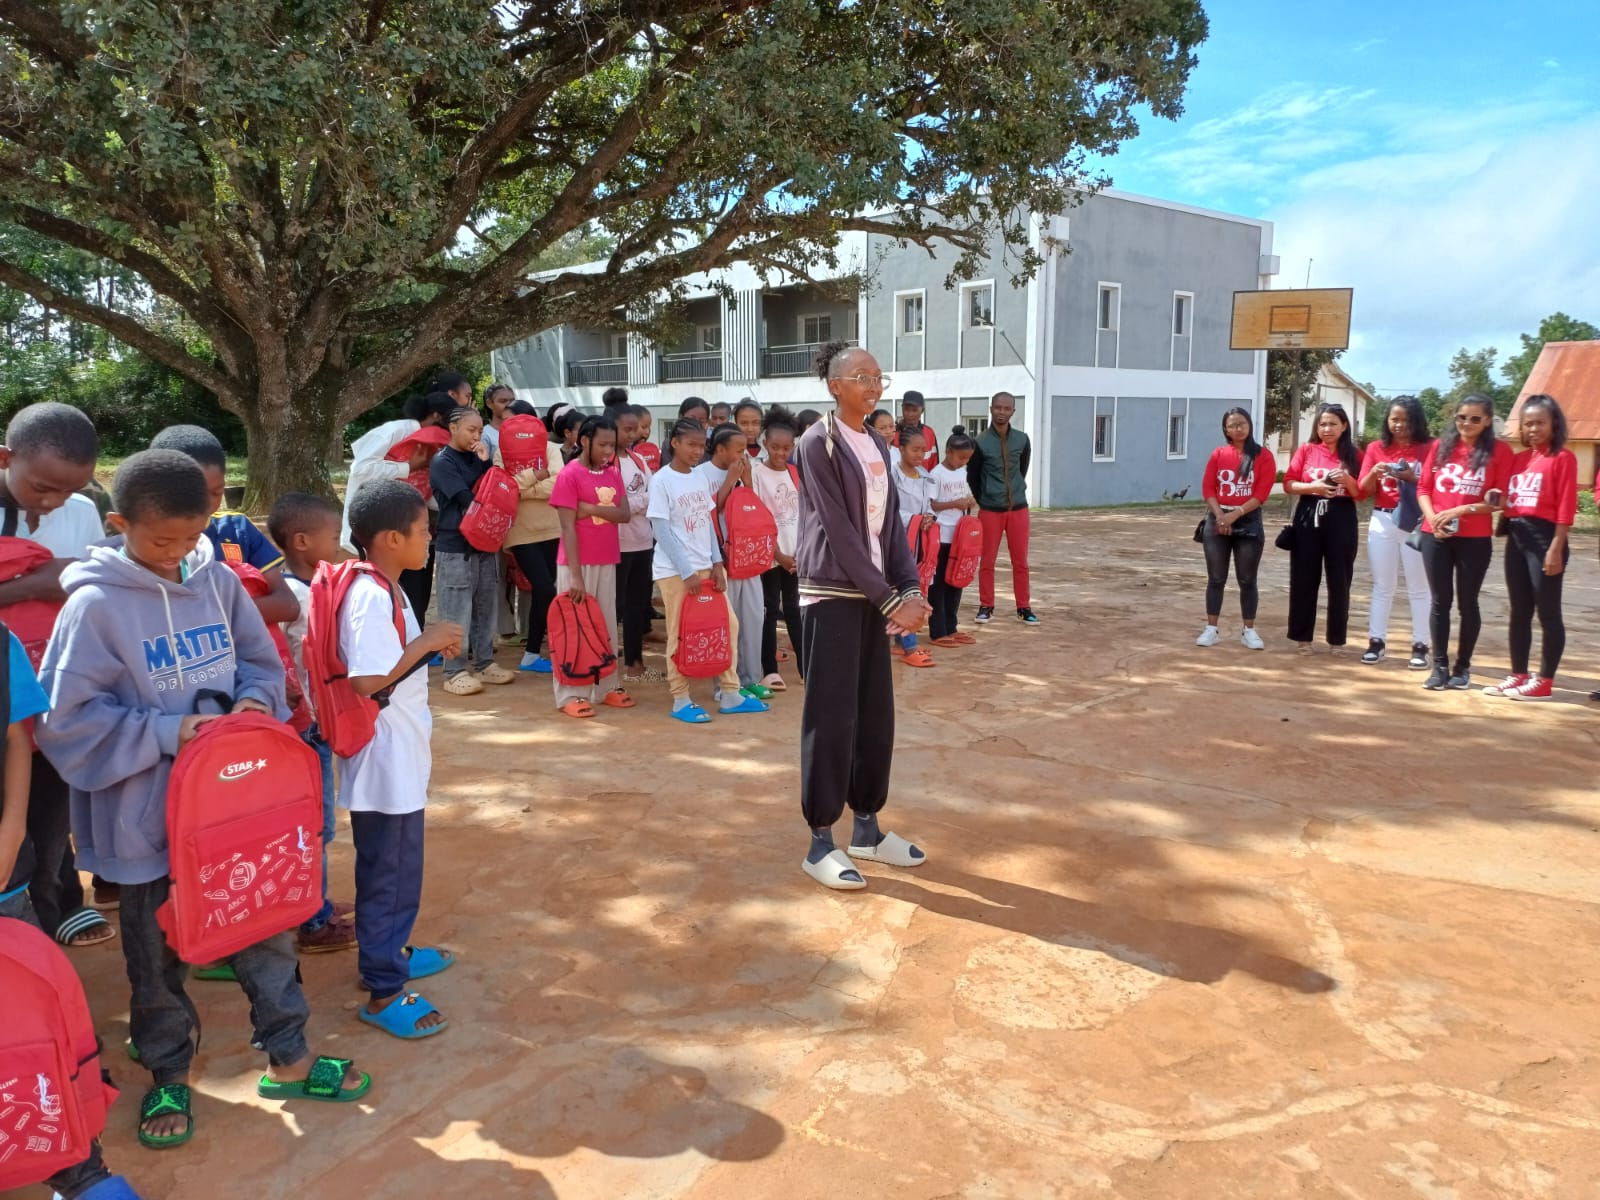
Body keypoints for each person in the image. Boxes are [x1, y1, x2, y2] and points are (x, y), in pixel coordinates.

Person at [36, 449, 371, 1148]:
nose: (178, 554)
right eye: (162, 540)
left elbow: (259, 660)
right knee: (155, 960)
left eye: (191, 537)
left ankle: (290, 1055)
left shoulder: (215, 579)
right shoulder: (93, 605)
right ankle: (168, 1075)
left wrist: (250, 702)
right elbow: (65, 722)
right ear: (119, 523)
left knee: (266, 931)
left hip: (236, 813)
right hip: (146, 827)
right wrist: (170, 730)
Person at [796, 342, 929, 891]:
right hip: (832, 593)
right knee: (832, 719)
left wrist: (910, 586)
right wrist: (889, 598)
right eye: (861, 377)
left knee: (875, 715)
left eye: (878, 376)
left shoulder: (877, 441)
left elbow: (890, 525)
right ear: (834, 385)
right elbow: (839, 531)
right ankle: (820, 842)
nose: (873, 386)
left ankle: (868, 830)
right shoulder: (816, 442)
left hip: (875, 597)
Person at [340, 479, 463, 1039]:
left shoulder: (388, 588)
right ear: (391, 538)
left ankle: (391, 949)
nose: (429, 540)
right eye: (422, 531)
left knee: (395, 866)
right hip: (384, 758)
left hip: (398, 750)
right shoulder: (370, 595)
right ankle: (384, 988)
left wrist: (427, 642)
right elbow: (367, 680)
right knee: (390, 870)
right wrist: (427, 641)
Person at [0, 403, 117, 947]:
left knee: (49, 814)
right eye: (42, 487)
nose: (51, 502)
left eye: (66, 492)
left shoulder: (81, 510)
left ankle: (51, 913)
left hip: (56, 688)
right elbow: (57, 583)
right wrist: (36, 584)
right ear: (6, 459)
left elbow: (88, 591)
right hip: (7, 697)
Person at [267, 492, 358, 954]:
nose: (340, 543)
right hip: (304, 729)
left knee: (318, 823)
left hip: (315, 723)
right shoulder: (290, 598)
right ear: (303, 541)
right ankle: (313, 922)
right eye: (333, 535)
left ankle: (313, 903)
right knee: (314, 825)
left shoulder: (313, 584)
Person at [646, 419, 768, 724]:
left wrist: (716, 563)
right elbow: (660, 530)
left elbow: (709, 524)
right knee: (679, 633)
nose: (697, 451)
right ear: (674, 443)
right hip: (675, 572)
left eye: (701, 445)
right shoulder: (662, 480)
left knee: (729, 626)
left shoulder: (699, 478)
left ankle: (730, 693)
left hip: (707, 568)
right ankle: (680, 699)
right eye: (691, 444)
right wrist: (687, 572)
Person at [149, 425, 299, 625]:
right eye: (194, 493)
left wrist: (204, 613)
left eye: (216, 492)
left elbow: (287, 605)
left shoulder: (239, 530)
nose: (205, 504)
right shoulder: (145, 544)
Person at [1417, 393, 1514, 691]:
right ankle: (1439, 666)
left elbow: (1501, 500)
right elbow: (1423, 488)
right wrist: (1433, 518)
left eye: (1475, 418)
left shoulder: (1500, 451)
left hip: (1474, 539)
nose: (1467, 423)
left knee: (1467, 604)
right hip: (1435, 536)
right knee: (1439, 602)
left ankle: (1463, 667)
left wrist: (1463, 509)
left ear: (1487, 421)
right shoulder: (1440, 447)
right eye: (1462, 417)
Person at [1487, 394, 1576, 701]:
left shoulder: (1562, 459)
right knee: (1519, 611)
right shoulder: (1519, 459)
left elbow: (1566, 507)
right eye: (1528, 424)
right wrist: (1496, 498)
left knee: (1548, 614)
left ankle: (1545, 680)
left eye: (1540, 422)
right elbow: (1507, 498)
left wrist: (1555, 548)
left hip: (1545, 538)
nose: (1533, 429)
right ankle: (1518, 674)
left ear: (1554, 425)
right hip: (1517, 536)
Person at [549, 415, 633, 718]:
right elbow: (567, 528)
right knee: (574, 628)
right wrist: (574, 576)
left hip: (606, 559)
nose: (609, 450)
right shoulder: (569, 475)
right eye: (603, 444)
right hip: (577, 565)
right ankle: (570, 693)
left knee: (605, 625)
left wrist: (592, 509)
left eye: (612, 444)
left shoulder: (612, 472)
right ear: (584, 441)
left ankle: (607, 686)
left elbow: (624, 513)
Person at [430, 407, 517, 695]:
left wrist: (485, 463)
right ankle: (453, 671)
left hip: (484, 544)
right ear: (453, 428)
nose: (477, 436)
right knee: (456, 610)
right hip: (455, 546)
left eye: (480, 431)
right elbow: (471, 500)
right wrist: (484, 471)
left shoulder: (479, 459)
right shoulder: (443, 462)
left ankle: (484, 663)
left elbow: (495, 488)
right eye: (471, 430)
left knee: (485, 605)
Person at [1355, 396, 1434, 668]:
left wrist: (1410, 476)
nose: (1399, 424)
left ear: (1416, 421)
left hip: (1416, 520)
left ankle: (1421, 645)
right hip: (1383, 519)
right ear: (1387, 421)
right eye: (1394, 419)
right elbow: (1362, 490)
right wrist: (1375, 472)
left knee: (1419, 587)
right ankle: (1376, 642)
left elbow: (1436, 485)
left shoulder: (1429, 447)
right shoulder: (1376, 448)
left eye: (1405, 419)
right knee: (1382, 585)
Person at [1282, 403, 1363, 654]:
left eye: (1332, 424)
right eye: (1322, 424)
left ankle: (1336, 640)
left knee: (1340, 580)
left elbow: (1362, 493)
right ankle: (1302, 637)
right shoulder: (1306, 450)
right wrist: (1313, 487)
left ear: (1344, 426)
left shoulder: (1355, 455)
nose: (1327, 429)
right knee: (1304, 577)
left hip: (1342, 515)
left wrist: (1347, 479)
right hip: (1309, 513)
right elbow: (1288, 484)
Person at [698, 424, 772, 699]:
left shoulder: (743, 470)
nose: (744, 454)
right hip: (720, 558)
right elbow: (712, 509)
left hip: (747, 556)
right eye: (739, 450)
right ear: (720, 449)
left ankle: (750, 678)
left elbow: (751, 506)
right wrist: (730, 479)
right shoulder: (702, 474)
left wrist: (747, 478)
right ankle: (724, 686)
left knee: (753, 618)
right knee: (726, 623)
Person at [1197, 407, 1276, 651]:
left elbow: (1261, 493)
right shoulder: (1218, 454)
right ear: (1225, 430)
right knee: (1216, 577)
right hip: (1218, 519)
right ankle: (1211, 629)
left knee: (1247, 578)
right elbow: (1208, 488)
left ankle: (1248, 630)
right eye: (1232, 425)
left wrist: (1236, 514)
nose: (1237, 429)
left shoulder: (1263, 456)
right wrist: (1220, 515)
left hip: (1248, 519)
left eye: (1241, 424)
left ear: (1250, 425)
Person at [499, 401, 560, 675]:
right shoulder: (500, 451)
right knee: (545, 588)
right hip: (520, 533)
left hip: (553, 528)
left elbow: (559, 482)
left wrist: (523, 485)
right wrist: (537, 475)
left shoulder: (550, 448)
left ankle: (539, 649)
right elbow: (504, 487)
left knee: (548, 589)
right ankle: (531, 653)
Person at [967, 392, 1037, 624]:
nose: (1001, 412)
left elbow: (1022, 469)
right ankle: (986, 605)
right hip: (990, 511)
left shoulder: (1022, 439)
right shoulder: (980, 442)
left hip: (1018, 509)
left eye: (1006, 409)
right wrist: (986, 498)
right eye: (997, 408)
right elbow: (973, 477)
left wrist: (1014, 492)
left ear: (1013, 412)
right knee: (987, 561)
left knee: (1021, 562)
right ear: (990, 409)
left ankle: (1023, 607)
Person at [753, 405, 803, 690]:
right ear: (764, 444)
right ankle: (770, 670)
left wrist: (800, 553)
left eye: (786, 448)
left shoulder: (795, 473)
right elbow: (757, 523)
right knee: (770, 610)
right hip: (771, 557)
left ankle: (805, 666)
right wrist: (779, 556)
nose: (780, 453)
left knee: (796, 609)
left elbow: (806, 515)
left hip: (796, 557)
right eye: (775, 447)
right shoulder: (757, 475)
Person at [613, 407, 658, 681]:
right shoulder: (607, 462)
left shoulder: (639, 460)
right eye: (626, 429)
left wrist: (634, 504)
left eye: (635, 429)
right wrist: (637, 503)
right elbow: (616, 505)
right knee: (614, 606)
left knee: (636, 605)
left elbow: (653, 496)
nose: (632, 434)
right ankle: (606, 666)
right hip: (616, 544)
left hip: (642, 541)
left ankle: (634, 662)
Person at [927, 426, 978, 647]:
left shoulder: (963, 472)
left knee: (957, 581)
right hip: (941, 536)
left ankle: (951, 626)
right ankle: (938, 631)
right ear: (948, 452)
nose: (964, 462)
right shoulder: (936, 474)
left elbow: (966, 494)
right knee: (938, 585)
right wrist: (954, 504)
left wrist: (969, 501)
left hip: (960, 537)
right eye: (961, 457)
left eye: (967, 458)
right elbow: (931, 505)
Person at [890, 429, 936, 668]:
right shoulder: (892, 475)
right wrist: (915, 519)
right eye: (915, 449)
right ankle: (910, 645)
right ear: (901, 449)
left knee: (913, 585)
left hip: (919, 540)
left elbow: (930, 504)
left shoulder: (925, 475)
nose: (920, 454)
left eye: (923, 450)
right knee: (906, 589)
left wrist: (929, 517)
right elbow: (891, 509)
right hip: (896, 540)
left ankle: (901, 641)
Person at [897, 391, 940, 471]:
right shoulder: (893, 433)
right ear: (902, 408)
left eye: (914, 410)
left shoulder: (929, 433)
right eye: (906, 409)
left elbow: (934, 464)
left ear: (922, 410)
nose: (910, 414)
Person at [479, 382, 516, 458]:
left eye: (512, 401)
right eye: (503, 401)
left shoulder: (521, 429)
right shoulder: (485, 434)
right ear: (489, 403)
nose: (509, 405)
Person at [634, 408, 662, 473]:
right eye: (643, 427)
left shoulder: (652, 449)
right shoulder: (624, 452)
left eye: (649, 427)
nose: (647, 432)